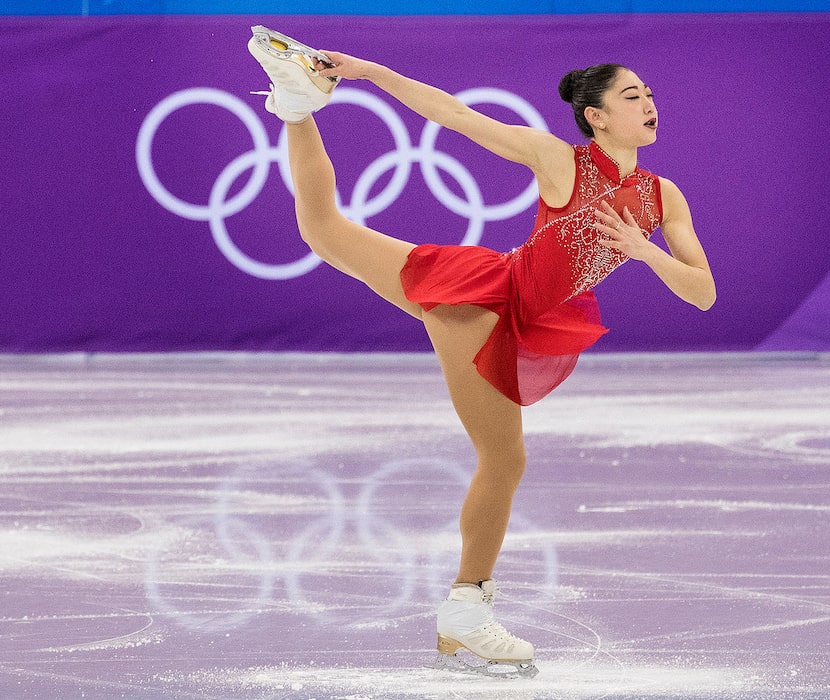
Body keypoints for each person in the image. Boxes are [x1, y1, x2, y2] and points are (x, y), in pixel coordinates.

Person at [247, 25, 716, 677]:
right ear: (597, 116)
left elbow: (703, 295)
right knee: (504, 458)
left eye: (649, 93)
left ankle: (296, 109)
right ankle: (466, 613)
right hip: (485, 301)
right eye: (632, 95)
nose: (649, 104)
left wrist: (646, 251)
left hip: (504, 305)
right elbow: (454, 112)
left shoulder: (664, 199)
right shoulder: (560, 162)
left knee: (324, 230)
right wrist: (371, 71)